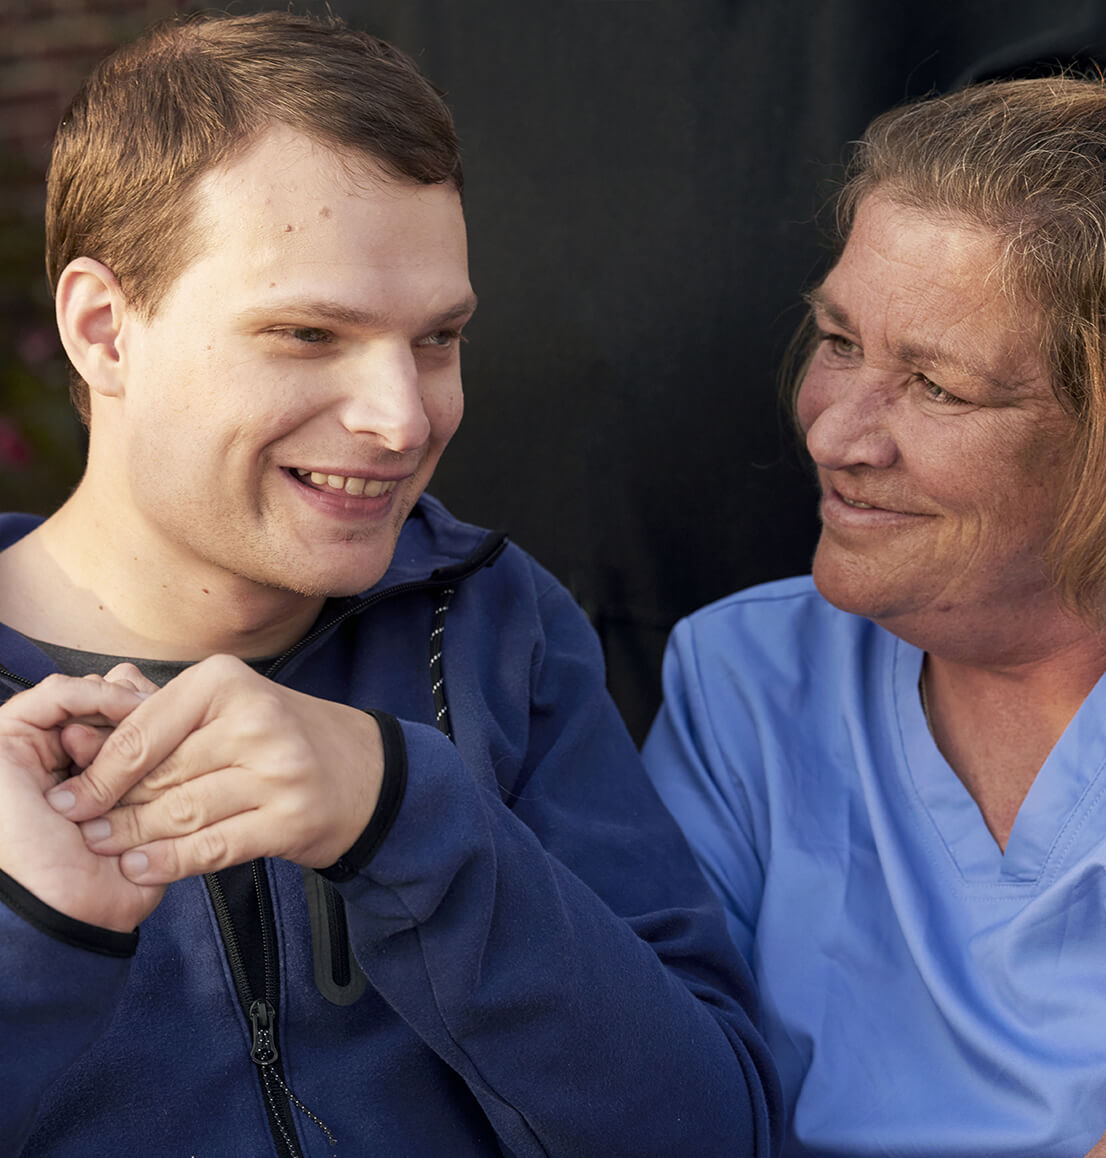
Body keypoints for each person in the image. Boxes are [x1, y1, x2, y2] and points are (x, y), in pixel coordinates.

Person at [0, 12, 782, 1156]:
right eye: (310, 334)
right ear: (105, 329)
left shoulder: (494, 628)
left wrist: (405, 817)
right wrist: (38, 942)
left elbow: (713, 1133)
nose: (403, 420)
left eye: (437, 338)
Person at [644, 76, 1106, 1157]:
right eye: (838, 341)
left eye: (935, 387)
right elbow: (661, 1082)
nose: (834, 434)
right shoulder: (746, 676)